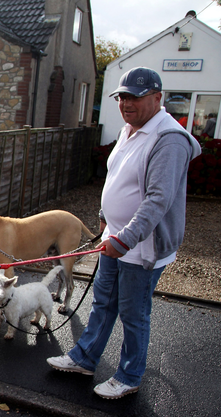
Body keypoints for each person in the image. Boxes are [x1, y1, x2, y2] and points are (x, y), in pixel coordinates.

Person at [46, 67, 201, 399]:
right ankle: (85, 358)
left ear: (158, 98)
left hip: (141, 247)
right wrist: (105, 218)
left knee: (133, 312)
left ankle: (129, 376)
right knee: (103, 303)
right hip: (114, 238)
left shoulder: (169, 139)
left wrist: (126, 238)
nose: (127, 104)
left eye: (137, 97)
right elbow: (117, 177)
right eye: (123, 97)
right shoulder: (130, 129)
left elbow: (159, 199)